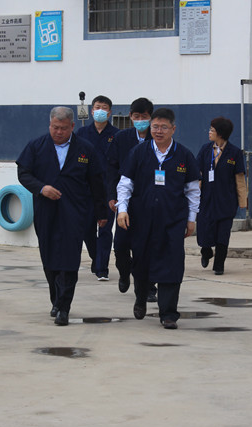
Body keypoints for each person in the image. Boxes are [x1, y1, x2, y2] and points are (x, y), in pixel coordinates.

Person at [17, 106, 108, 326]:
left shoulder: (85, 149)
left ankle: (64, 308)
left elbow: (97, 182)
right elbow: (23, 173)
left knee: (69, 259)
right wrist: (41, 188)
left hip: (74, 212)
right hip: (45, 210)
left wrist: (101, 212)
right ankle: (56, 300)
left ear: (72, 126)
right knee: (49, 257)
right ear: (49, 125)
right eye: (55, 127)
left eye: (64, 128)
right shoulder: (36, 146)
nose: (59, 132)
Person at [116, 108, 200, 329]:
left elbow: (193, 190)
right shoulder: (138, 152)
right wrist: (122, 210)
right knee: (141, 261)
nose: (159, 131)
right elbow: (125, 184)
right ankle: (141, 297)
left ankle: (169, 313)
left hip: (173, 220)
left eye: (164, 127)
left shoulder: (184, 155)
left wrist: (191, 218)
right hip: (141, 218)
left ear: (173, 129)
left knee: (172, 263)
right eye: (155, 127)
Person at [106, 97, 158, 302]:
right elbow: (111, 169)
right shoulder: (121, 138)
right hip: (125, 201)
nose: (140, 120)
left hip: (149, 200)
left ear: (151, 117)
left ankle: (148, 286)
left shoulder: (157, 139)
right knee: (120, 245)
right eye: (137, 116)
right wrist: (112, 196)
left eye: (144, 117)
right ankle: (124, 272)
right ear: (130, 117)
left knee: (147, 246)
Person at [196, 117, 247, 275]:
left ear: (220, 133)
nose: (209, 132)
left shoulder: (235, 153)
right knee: (204, 230)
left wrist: (243, 201)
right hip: (206, 200)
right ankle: (206, 252)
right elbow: (198, 174)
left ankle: (219, 265)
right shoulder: (205, 150)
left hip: (226, 201)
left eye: (212, 130)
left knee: (223, 234)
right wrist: (195, 195)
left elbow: (240, 179)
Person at [76, 95, 119, 281]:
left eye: (104, 107)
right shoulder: (82, 133)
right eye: (97, 107)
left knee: (105, 229)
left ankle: (102, 268)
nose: (100, 110)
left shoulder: (117, 135)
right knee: (86, 229)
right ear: (92, 110)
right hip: (86, 190)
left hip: (108, 190)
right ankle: (96, 258)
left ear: (109, 112)